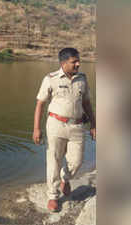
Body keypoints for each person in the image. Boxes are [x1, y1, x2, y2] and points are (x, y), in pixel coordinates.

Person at [32, 48, 96, 212]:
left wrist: (94, 125)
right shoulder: (50, 79)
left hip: (77, 126)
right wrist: (36, 129)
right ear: (63, 63)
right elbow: (40, 104)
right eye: (74, 61)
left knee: (77, 161)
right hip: (56, 124)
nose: (78, 64)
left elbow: (87, 103)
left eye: (78, 60)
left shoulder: (82, 79)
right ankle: (53, 196)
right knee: (54, 160)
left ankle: (65, 178)